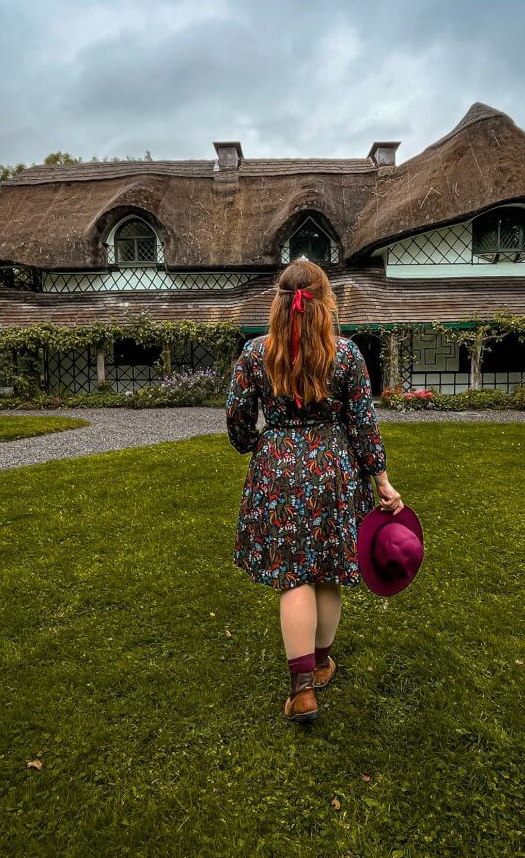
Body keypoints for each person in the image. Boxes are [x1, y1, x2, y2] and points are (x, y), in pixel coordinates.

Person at [225, 258, 402, 723]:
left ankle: (302, 691)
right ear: (326, 302)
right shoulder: (347, 354)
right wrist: (382, 480)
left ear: (278, 302)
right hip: (334, 471)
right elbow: (363, 424)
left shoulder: (255, 353)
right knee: (327, 572)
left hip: (278, 472)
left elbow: (237, 418)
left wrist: (253, 444)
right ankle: (321, 664)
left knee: (293, 577)